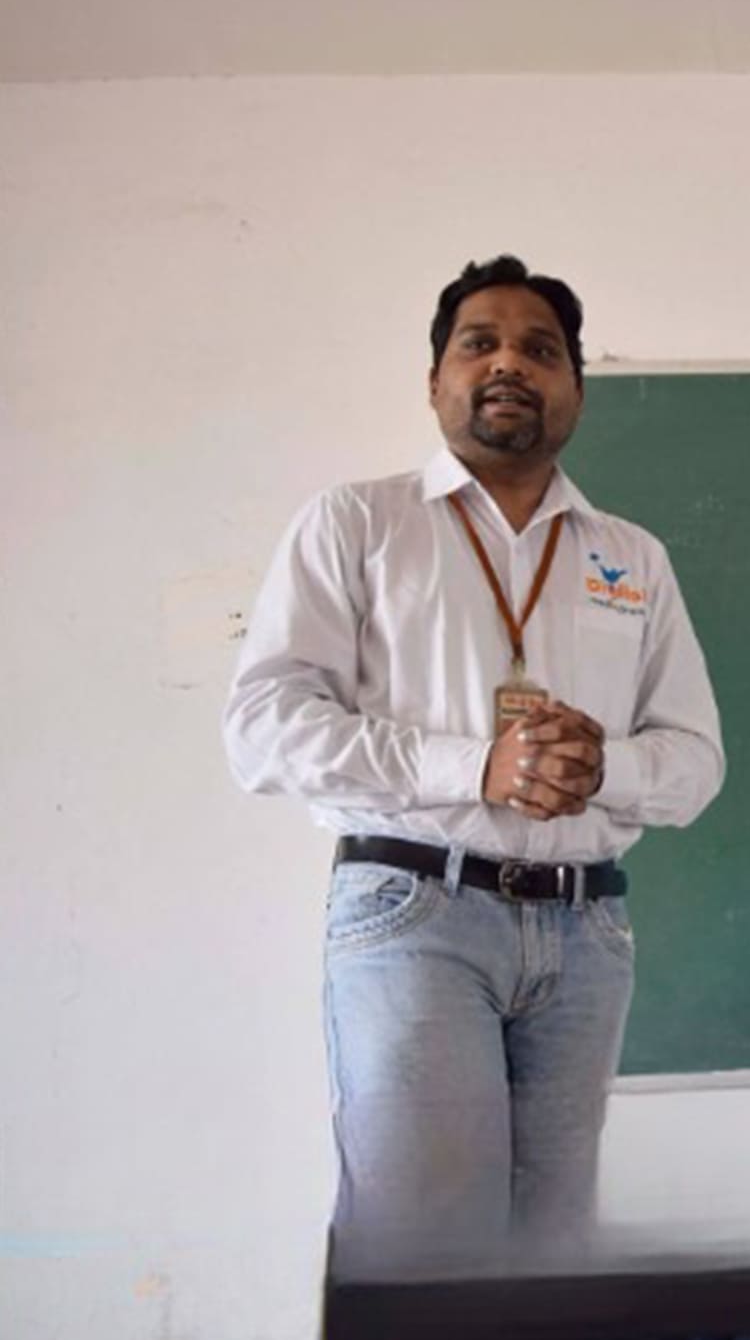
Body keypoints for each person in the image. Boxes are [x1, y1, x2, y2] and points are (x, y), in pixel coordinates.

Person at [223, 255, 724, 1273]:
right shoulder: (359, 524)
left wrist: (603, 770)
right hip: (417, 912)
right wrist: (477, 766)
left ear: (574, 390)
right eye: (479, 344)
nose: (509, 364)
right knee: (426, 1254)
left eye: (541, 350)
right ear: (434, 380)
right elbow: (264, 728)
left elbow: (694, 762)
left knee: (556, 1260)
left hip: (586, 929)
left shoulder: (632, 555)